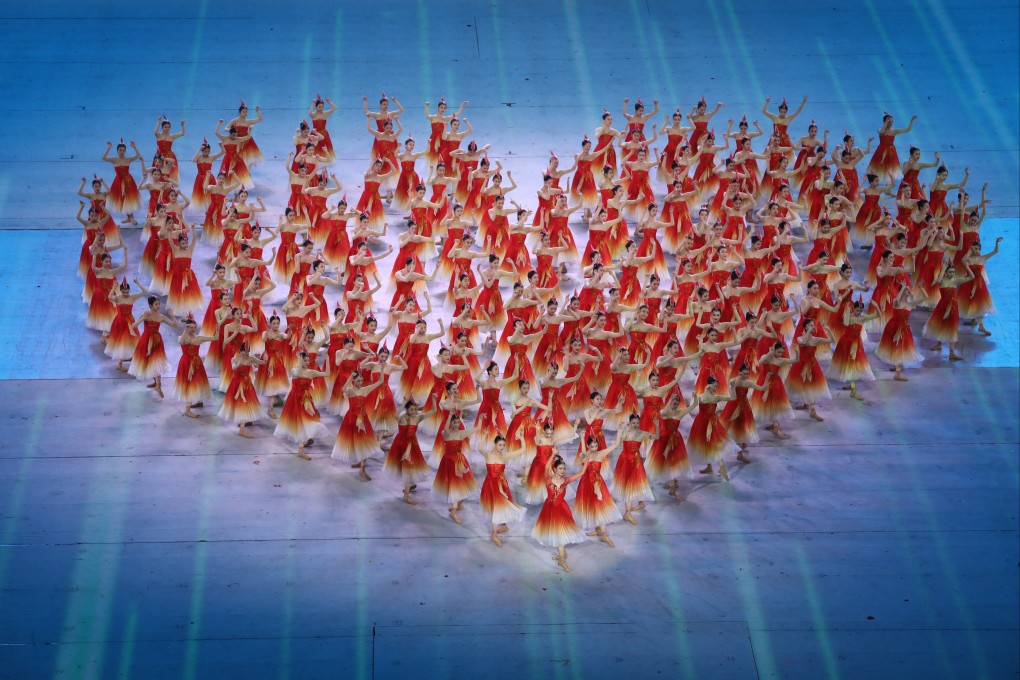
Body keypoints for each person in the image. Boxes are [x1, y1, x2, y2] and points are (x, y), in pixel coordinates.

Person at [531, 453, 587, 573]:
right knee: (556, 532)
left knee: (560, 533)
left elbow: (582, 473)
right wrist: (552, 454)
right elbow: (546, 467)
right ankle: (562, 556)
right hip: (550, 509)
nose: (563, 471)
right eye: (560, 468)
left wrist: (586, 461)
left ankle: (562, 558)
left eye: (564, 468)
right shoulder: (548, 479)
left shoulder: (566, 481)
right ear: (555, 469)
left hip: (562, 509)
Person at [274, 351, 331, 460]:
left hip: (306, 399)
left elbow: (327, 373)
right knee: (299, 421)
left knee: (308, 419)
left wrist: (327, 360)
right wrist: (300, 361)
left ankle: (304, 444)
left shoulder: (311, 372)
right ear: (301, 360)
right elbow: (297, 373)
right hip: (295, 399)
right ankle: (301, 450)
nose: (307, 362)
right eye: (305, 360)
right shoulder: (295, 371)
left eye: (308, 361)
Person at [331, 370, 387, 480]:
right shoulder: (350, 390)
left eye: (361, 380)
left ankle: (362, 468)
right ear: (354, 381)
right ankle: (360, 460)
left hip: (363, 418)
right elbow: (343, 389)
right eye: (358, 380)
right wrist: (350, 377)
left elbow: (380, 381)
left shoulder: (365, 389)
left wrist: (382, 368)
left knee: (363, 440)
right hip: (351, 418)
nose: (360, 382)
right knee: (353, 440)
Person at [382, 398, 436, 504]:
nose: (414, 412)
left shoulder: (418, 417)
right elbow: (396, 416)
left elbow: (433, 410)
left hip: (412, 445)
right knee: (407, 468)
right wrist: (403, 404)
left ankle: (409, 487)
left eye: (415, 409)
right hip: (401, 444)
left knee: (410, 467)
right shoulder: (402, 418)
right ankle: (406, 496)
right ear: (407, 409)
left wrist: (433, 398)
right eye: (411, 410)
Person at [479, 435, 527, 547]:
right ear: (495, 444)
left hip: (501, 484)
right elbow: (479, 447)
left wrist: (521, 438)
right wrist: (484, 435)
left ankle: (496, 532)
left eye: (503, 445)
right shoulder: (488, 455)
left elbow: (523, 450)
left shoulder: (505, 456)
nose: (501, 447)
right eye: (500, 445)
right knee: (496, 506)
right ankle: (498, 530)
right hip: (490, 484)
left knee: (500, 506)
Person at [129, 295, 178, 397]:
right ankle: (155, 383)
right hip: (145, 341)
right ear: (150, 305)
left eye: (159, 303)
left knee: (156, 364)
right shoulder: (146, 315)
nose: (158, 305)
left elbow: (174, 325)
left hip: (156, 342)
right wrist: (142, 318)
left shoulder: (161, 317)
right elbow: (133, 326)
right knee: (148, 362)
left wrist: (172, 315)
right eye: (156, 304)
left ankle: (158, 387)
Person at [432, 413, 478, 524]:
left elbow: (477, 428)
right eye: (455, 422)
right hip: (448, 462)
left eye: (458, 422)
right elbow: (444, 428)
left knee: (461, 482)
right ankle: (453, 511)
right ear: (450, 423)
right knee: (454, 483)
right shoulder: (446, 433)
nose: (457, 424)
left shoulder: (461, 433)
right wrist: (448, 416)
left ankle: (458, 504)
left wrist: (480, 420)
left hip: (459, 461)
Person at [613, 414, 658, 525]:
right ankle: (628, 512)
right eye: (633, 423)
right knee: (628, 484)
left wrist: (657, 425)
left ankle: (633, 508)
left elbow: (656, 437)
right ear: (629, 423)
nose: (636, 425)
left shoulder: (642, 434)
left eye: (637, 423)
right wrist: (619, 429)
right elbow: (618, 442)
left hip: (636, 461)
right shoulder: (626, 432)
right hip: (624, 461)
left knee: (636, 483)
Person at [217, 342, 266, 438]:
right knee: (238, 404)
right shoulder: (234, 359)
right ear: (240, 351)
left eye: (248, 352)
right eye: (245, 352)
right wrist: (239, 362)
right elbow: (233, 368)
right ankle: (242, 425)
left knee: (245, 403)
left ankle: (242, 428)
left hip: (247, 385)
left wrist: (265, 359)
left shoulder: (251, 359)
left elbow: (261, 362)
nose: (246, 354)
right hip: (236, 384)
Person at [174, 315, 215, 418]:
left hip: (196, 363)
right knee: (189, 384)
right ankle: (187, 410)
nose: (192, 329)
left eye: (194, 327)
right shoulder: (181, 338)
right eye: (190, 327)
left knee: (197, 382)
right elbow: (181, 341)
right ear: (186, 327)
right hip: (185, 363)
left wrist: (217, 330)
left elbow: (215, 338)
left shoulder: (199, 338)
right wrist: (185, 329)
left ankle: (198, 401)